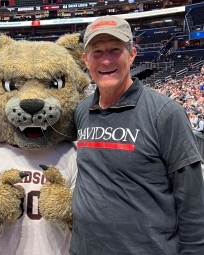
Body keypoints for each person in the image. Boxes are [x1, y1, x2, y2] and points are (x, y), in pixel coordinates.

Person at [71, 16, 204, 255]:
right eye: (97, 52)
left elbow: (192, 200)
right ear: (85, 59)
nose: (106, 59)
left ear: (132, 54)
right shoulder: (82, 111)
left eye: (115, 50)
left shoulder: (165, 113)